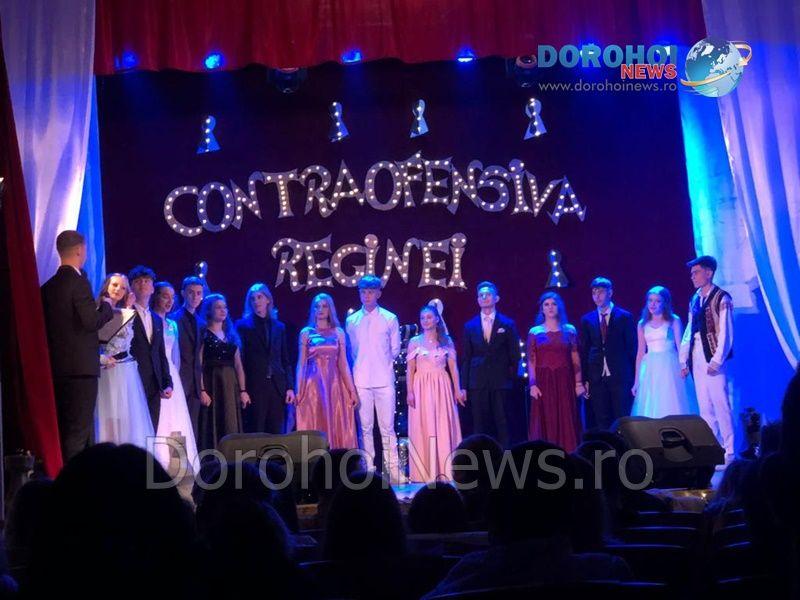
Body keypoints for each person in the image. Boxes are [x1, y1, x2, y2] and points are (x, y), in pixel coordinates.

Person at [41, 231, 114, 461]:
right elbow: (91, 322)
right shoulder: (79, 282)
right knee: (78, 433)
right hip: (81, 369)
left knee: (63, 429)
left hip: (57, 368)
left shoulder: (47, 287)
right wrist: (107, 307)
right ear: (80, 250)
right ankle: (75, 479)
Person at [346, 275, 402, 481]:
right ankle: (368, 469)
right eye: (363, 292)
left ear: (378, 293)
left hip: (384, 381)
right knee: (365, 428)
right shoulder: (352, 321)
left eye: (370, 292)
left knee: (387, 428)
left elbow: (395, 350)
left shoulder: (389, 318)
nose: (366, 295)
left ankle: (393, 470)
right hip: (361, 381)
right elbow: (351, 351)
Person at [679, 256, 735, 462]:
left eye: (696, 272)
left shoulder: (722, 298)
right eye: (692, 273)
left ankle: (729, 450)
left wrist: (717, 360)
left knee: (720, 403)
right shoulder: (695, 299)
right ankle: (713, 448)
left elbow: (726, 332)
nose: (692, 277)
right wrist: (683, 359)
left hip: (712, 355)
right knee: (705, 406)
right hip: (697, 356)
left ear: (709, 273)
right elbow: (690, 329)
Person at [95, 274, 154, 448]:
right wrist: (102, 359)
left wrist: (128, 308)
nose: (118, 290)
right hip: (105, 370)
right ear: (106, 285)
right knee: (107, 413)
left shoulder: (126, 312)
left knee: (126, 416)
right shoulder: (97, 310)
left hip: (125, 369)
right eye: (114, 285)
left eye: (122, 287)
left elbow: (125, 342)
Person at [406, 304, 465, 482]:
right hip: (421, 387)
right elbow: (410, 369)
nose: (425, 321)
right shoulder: (414, 342)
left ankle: (446, 469)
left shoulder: (446, 341)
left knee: (442, 423)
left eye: (429, 317)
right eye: (423, 318)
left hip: (441, 387)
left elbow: (453, 368)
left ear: (437, 319)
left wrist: (457, 390)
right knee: (423, 425)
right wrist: (409, 392)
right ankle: (425, 471)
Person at [460, 281, 522, 448]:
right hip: (477, 382)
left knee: (503, 423)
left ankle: (506, 458)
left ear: (496, 298)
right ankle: (481, 459)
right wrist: (463, 386)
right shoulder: (469, 326)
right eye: (481, 295)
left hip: (500, 381)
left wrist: (511, 378)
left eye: (488, 294)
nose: (484, 297)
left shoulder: (507, 324)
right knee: (479, 424)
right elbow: (466, 358)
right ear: (477, 300)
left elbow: (515, 355)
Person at [293, 293, 358, 448]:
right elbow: (301, 364)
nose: (320, 309)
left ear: (330, 309)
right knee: (315, 419)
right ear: (313, 309)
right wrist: (298, 390)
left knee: (337, 419)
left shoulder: (338, 332)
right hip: (313, 385)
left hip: (334, 384)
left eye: (324, 306)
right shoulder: (306, 333)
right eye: (317, 306)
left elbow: (343, 363)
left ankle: (337, 458)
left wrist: (352, 390)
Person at [151, 281, 199, 473]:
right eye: (165, 296)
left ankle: (177, 463)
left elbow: (175, 357)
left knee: (176, 419)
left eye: (172, 297)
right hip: (157, 373)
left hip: (171, 375)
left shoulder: (172, 324)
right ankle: (159, 461)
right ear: (156, 296)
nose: (169, 301)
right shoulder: (150, 320)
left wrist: (174, 379)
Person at [527, 292, 584, 452]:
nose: (550, 307)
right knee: (545, 418)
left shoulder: (570, 330)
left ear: (559, 307)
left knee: (567, 416)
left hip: (565, 380)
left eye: (554, 304)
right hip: (543, 382)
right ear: (542, 309)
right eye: (546, 304)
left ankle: (569, 454)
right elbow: (531, 360)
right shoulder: (535, 331)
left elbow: (575, 358)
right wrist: (532, 384)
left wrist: (578, 383)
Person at [236, 283, 295, 434]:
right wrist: (242, 389)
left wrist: (289, 387)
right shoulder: (243, 326)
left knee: (276, 431)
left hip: (277, 387)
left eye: (259, 297)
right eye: (253, 299)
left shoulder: (279, 327)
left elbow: (285, 360)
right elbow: (240, 360)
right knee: (256, 431)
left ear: (268, 299)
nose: (256, 301)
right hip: (255, 386)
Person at [579, 277, 637, 430]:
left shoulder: (624, 317)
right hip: (597, 376)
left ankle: (624, 444)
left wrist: (633, 376)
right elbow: (585, 350)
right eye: (594, 292)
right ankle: (606, 445)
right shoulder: (587, 319)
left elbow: (631, 348)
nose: (597, 296)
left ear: (610, 293)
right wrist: (585, 379)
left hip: (620, 375)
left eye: (601, 292)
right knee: (602, 418)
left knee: (622, 417)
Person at [198, 293, 251, 449]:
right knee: (214, 420)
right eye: (218, 307)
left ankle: (231, 454)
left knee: (230, 420)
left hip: (230, 384)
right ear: (209, 311)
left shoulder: (231, 335)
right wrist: (202, 390)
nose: (223, 310)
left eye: (225, 307)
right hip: (212, 383)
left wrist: (243, 391)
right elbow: (199, 364)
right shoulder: (204, 334)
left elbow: (238, 366)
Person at [631, 286, 693, 418]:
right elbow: (640, 353)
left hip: (670, 366)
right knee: (652, 402)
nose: (652, 304)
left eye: (657, 301)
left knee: (671, 399)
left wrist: (684, 366)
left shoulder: (673, 321)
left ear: (665, 303)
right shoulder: (642, 324)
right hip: (650, 368)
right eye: (650, 300)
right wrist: (637, 381)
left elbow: (681, 347)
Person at [128, 265, 172, 432]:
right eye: (138, 281)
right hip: (133, 378)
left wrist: (167, 382)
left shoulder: (156, 319)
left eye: (147, 281)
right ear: (131, 286)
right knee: (135, 427)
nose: (143, 284)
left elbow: (161, 354)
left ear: (153, 288)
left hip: (154, 382)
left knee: (152, 427)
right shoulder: (126, 313)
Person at [169, 276, 205, 446]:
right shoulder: (173, 319)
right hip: (179, 378)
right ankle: (177, 460)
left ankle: (192, 458)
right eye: (191, 292)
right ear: (183, 293)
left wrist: (202, 386)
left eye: (199, 293)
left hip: (195, 382)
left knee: (193, 425)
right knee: (177, 423)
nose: (195, 297)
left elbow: (199, 356)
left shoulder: (201, 323)